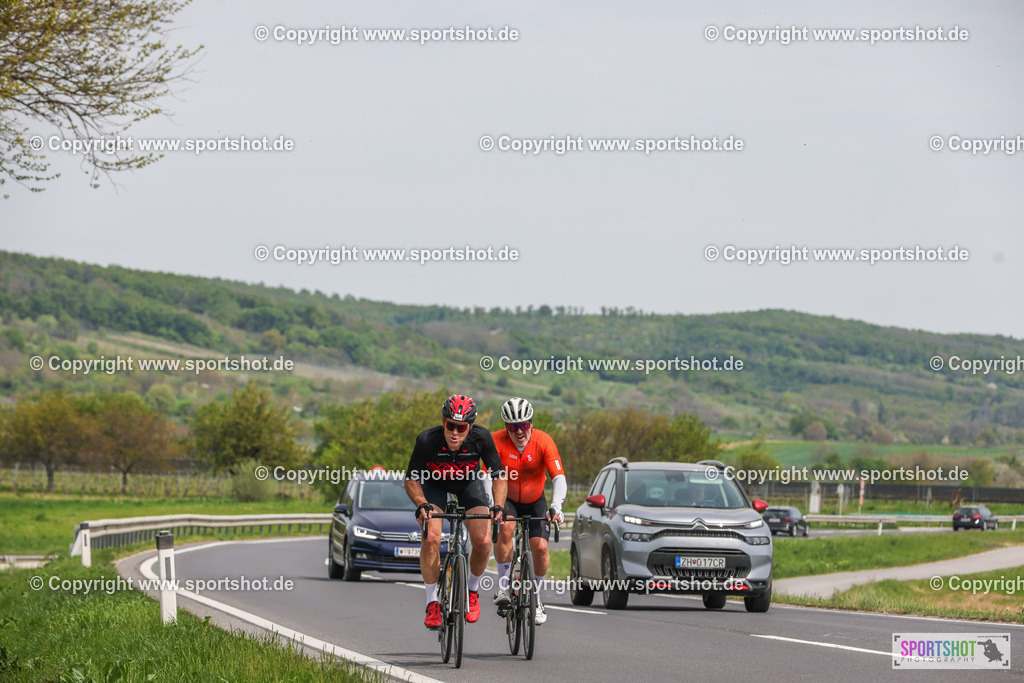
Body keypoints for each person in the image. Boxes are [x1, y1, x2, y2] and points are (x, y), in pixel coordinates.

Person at [405, 394, 507, 630]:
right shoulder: (427, 440)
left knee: (482, 541)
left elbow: (499, 477)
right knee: (431, 538)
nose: (455, 432)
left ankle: (472, 590)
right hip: (435, 485)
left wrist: (498, 506)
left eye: (461, 428)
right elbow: (411, 480)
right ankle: (432, 603)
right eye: (450, 425)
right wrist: (421, 503)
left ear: (469, 427)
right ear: (443, 422)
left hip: (468, 485)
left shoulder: (481, 437)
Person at [490, 397, 566, 626]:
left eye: (524, 425)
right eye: (513, 427)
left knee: (541, 547)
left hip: (535, 501)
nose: (519, 431)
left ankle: (537, 597)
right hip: (508, 499)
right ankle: (504, 588)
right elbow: (486, 475)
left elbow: (559, 477)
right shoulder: (497, 441)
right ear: (506, 427)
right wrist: (493, 504)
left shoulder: (544, 441)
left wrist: (557, 506)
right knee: (505, 528)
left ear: (531, 423)